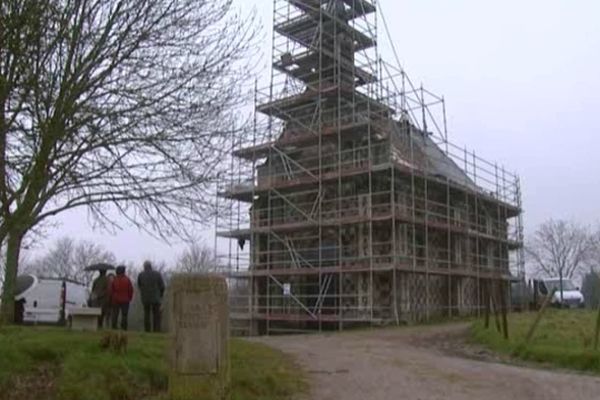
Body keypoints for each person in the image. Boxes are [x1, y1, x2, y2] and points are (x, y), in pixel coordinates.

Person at [137, 260, 165, 332]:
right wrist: (160, 295)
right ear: (151, 266)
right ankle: (156, 330)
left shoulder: (141, 275)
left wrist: (143, 293)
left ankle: (147, 330)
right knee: (156, 315)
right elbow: (162, 286)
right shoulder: (157, 274)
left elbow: (139, 285)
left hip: (145, 298)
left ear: (144, 267)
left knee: (147, 314)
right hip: (156, 298)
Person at [110, 266, 134, 331]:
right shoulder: (127, 280)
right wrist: (130, 298)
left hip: (116, 299)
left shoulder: (115, 280)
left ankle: (114, 326)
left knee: (115, 314)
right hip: (125, 299)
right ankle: (124, 327)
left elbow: (111, 290)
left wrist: (112, 298)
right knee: (124, 315)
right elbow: (131, 290)